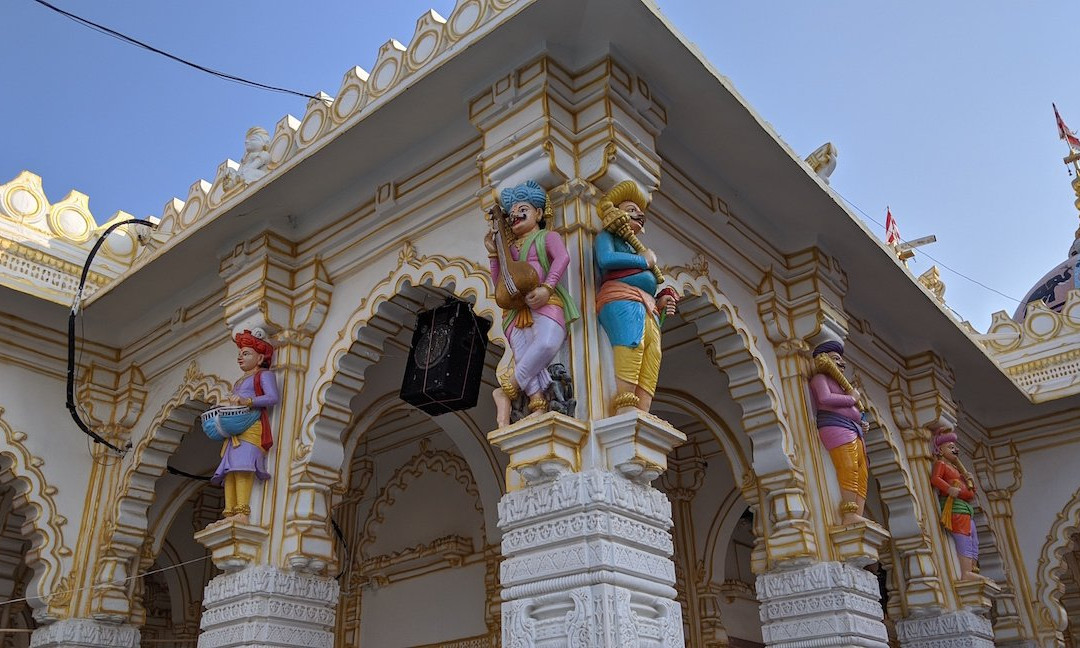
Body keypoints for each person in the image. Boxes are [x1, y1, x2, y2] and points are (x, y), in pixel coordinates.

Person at [484, 180, 579, 427]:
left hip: (546, 301)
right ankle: (537, 405)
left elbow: (562, 258)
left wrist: (547, 288)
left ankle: (506, 390)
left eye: (523, 209)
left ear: (538, 212)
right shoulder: (509, 248)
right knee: (526, 357)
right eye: (512, 213)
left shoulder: (547, 236)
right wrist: (494, 254)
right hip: (515, 311)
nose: (516, 215)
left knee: (547, 344)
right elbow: (500, 284)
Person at [594, 180, 678, 414]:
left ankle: (642, 410)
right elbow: (605, 260)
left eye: (640, 212)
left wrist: (661, 302)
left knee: (653, 352)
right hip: (622, 298)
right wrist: (644, 262)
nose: (639, 214)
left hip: (646, 304)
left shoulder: (634, 246)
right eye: (631, 210)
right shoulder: (607, 237)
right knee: (633, 343)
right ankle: (625, 402)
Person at [209, 329, 278, 526]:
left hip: (251, 428)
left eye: (246, 353)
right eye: (240, 354)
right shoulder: (240, 381)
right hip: (235, 430)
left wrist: (247, 400)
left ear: (260, 358)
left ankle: (242, 512)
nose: (240, 358)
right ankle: (229, 513)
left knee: (242, 467)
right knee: (229, 471)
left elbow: (273, 397)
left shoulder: (263, 375)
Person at [808, 340, 871, 525]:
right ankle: (849, 511)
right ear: (824, 360)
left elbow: (853, 411)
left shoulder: (842, 386)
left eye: (842, 361)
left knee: (862, 473)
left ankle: (858, 513)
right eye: (836, 359)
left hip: (854, 431)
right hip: (837, 428)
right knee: (849, 468)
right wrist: (851, 398)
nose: (842, 364)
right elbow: (825, 398)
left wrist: (861, 422)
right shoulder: (821, 379)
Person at [931, 430, 981, 581]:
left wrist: (970, 481)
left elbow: (970, 494)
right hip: (955, 509)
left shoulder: (959, 471)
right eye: (950, 447)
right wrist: (948, 489)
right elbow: (935, 479)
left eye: (955, 447)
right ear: (940, 450)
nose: (955, 450)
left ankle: (973, 569)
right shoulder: (941, 464)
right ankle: (966, 572)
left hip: (966, 509)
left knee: (974, 541)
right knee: (963, 539)